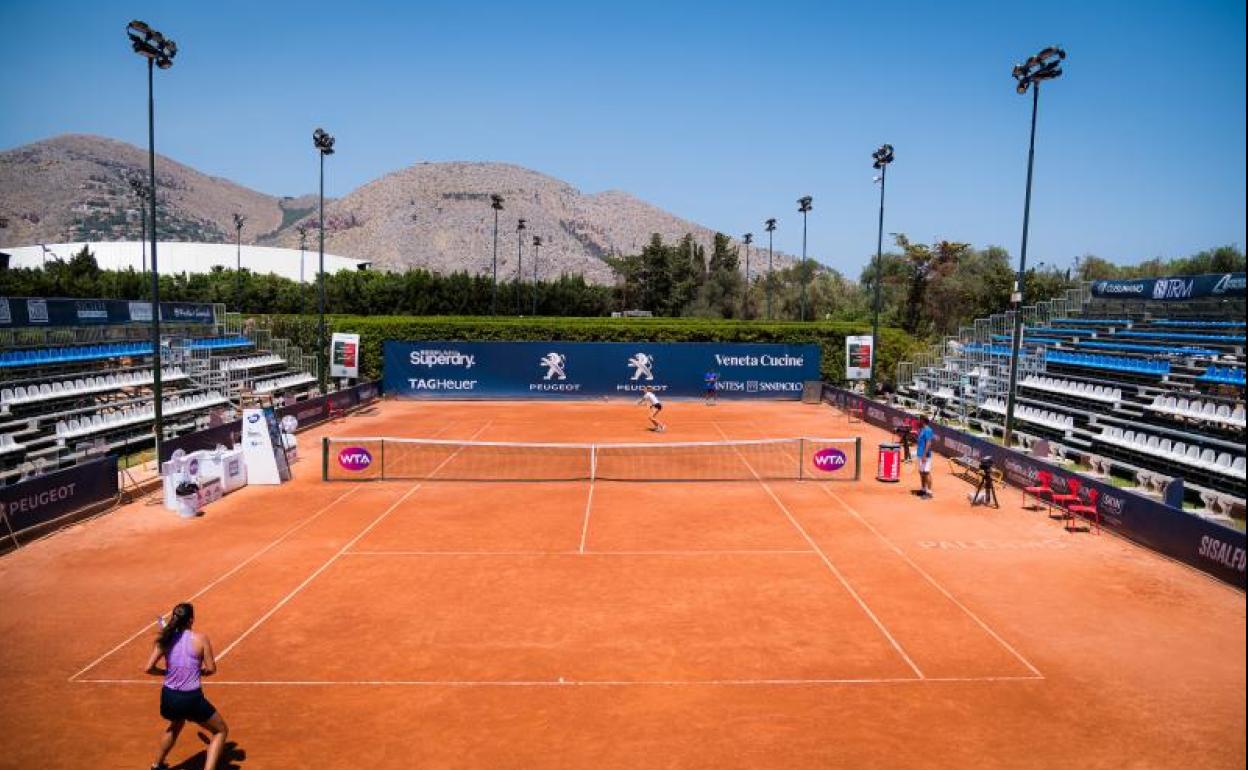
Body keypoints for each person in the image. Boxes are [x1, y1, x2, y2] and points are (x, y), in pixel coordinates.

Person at [145, 602, 229, 770]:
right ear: (191, 620)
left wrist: (166, 673)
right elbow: (211, 669)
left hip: (169, 697)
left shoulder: (165, 640)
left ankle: (157, 765)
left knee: (176, 724)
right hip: (191, 699)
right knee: (220, 731)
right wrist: (200, 671)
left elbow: (148, 668)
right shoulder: (201, 639)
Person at [914, 415, 935, 499]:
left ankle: (929, 492)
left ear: (923, 420)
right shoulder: (922, 429)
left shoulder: (928, 430)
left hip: (925, 455)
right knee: (921, 472)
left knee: (926, 473)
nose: (918, 421)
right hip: (920, 454)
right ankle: (923, 489)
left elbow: (928, 443)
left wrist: (924, 455)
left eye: (919, 419)